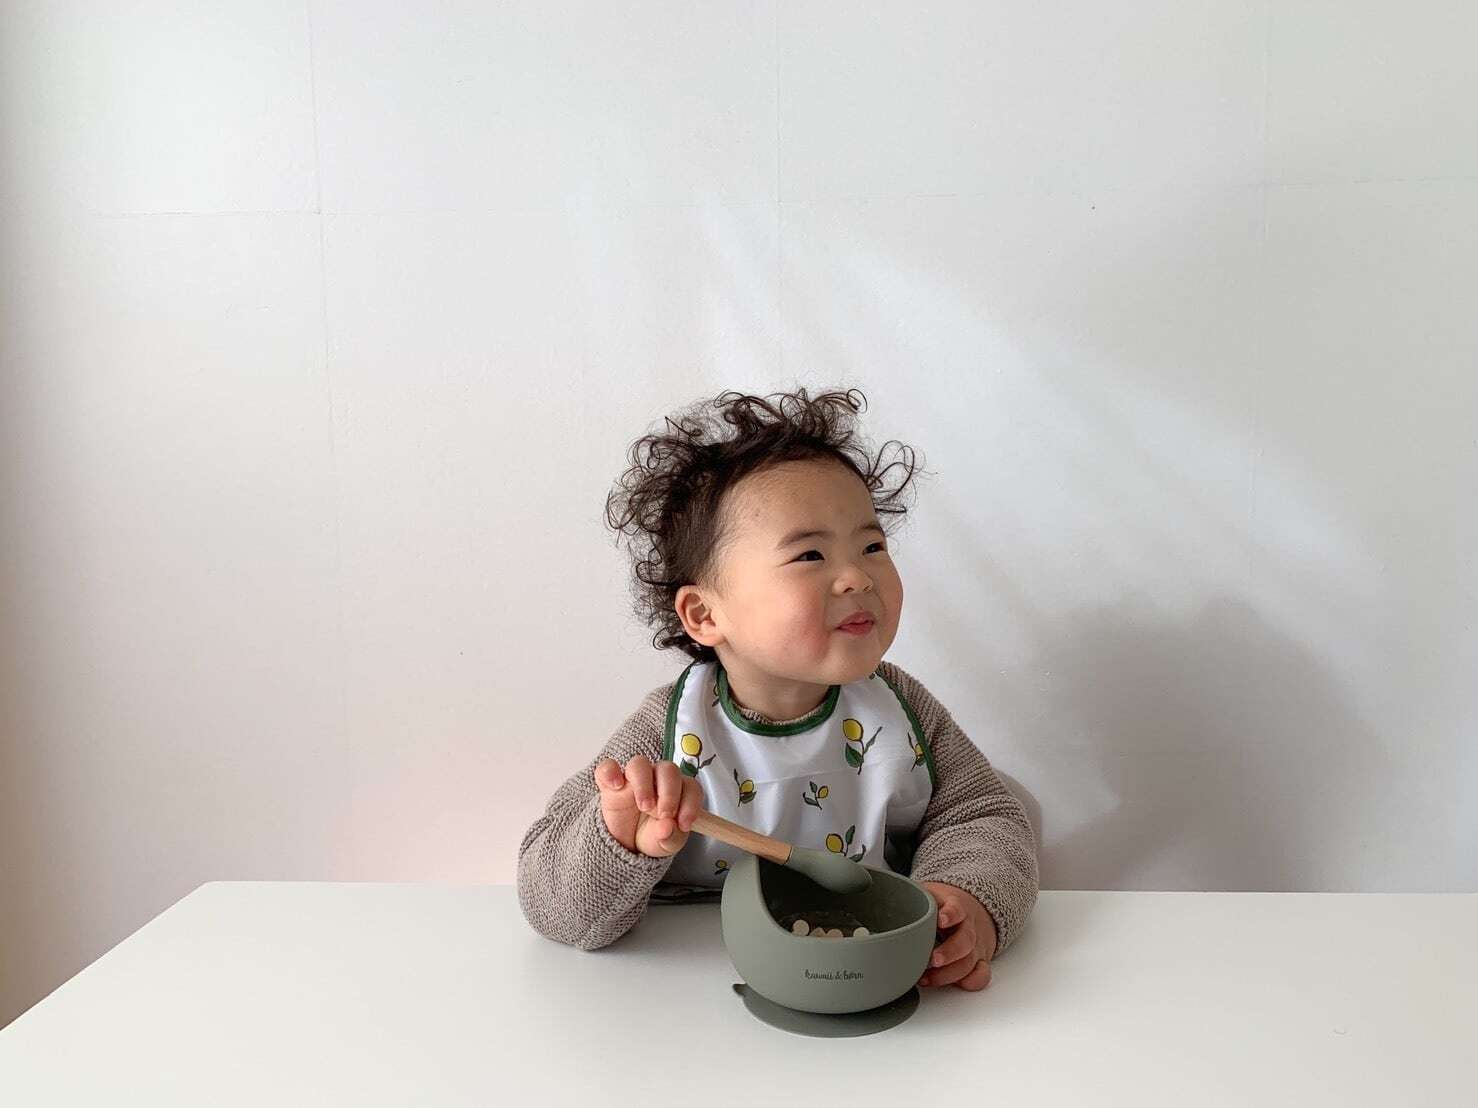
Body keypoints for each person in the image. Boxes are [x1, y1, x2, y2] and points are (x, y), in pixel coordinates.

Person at [517, 386, 1038, 992]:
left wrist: (966, 900)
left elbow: (983, 815)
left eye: (872, 546)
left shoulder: (898, 708)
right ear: (705, 614)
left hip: (867, 969)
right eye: (810, 555)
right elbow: (550, 905)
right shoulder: (670, 732)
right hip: (689, 984)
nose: (857, 577)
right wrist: (619, 841)